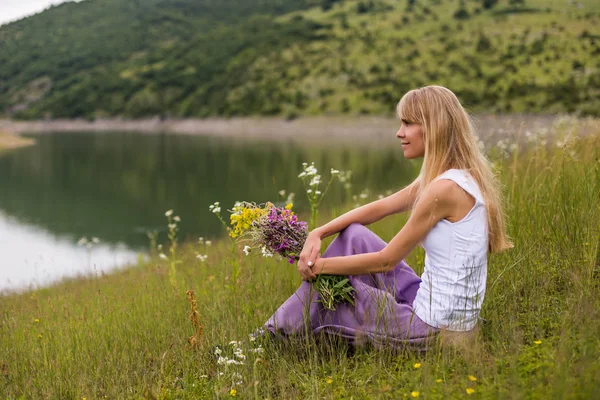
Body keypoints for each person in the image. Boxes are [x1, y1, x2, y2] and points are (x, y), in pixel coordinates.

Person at [261, 85, 513, 351]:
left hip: (436, 330)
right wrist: (318, 233)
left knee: (336, 280)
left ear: (432, 127)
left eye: (407, 123)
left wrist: (318, 267)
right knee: (354, 235)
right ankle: (280, 331)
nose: (399, 133)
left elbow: (386, 260)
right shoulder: (454, 176)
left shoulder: (444, 190)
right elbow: (381, 207)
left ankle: (271, 339)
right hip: (429, 304)